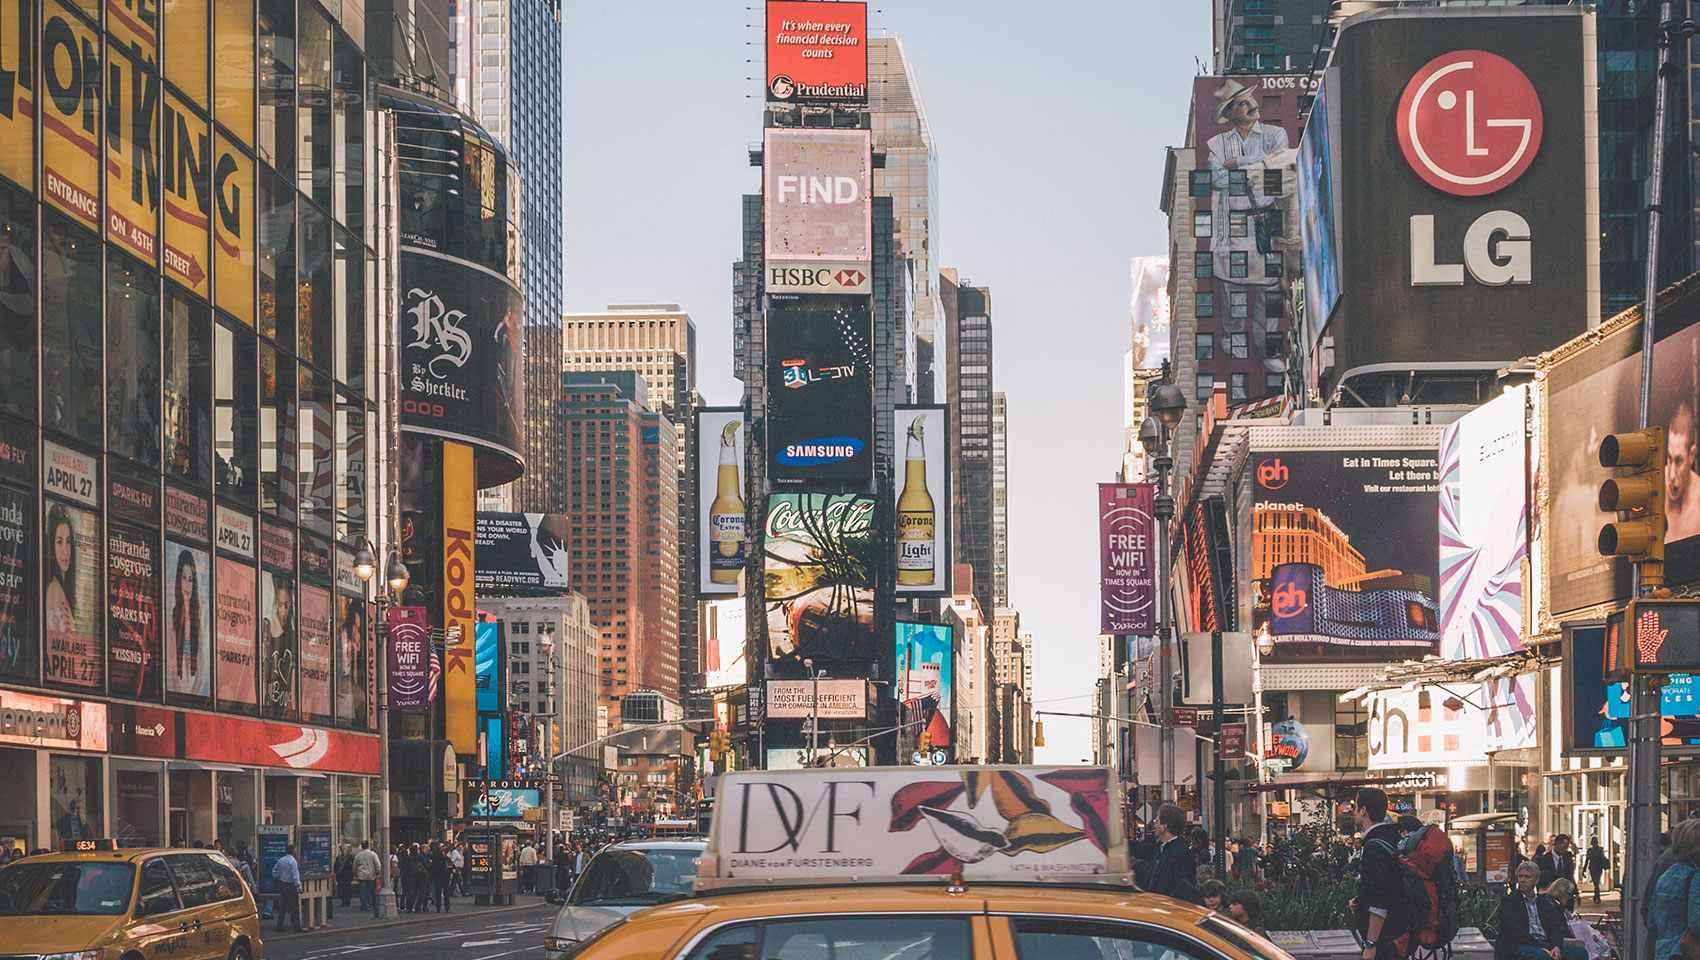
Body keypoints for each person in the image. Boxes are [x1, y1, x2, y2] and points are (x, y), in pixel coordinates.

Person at [1352, 787, 1405, 960]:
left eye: (1356, 807)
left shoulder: (1374, 847)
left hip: (1384, 941)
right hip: (1400, 935)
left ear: (1363, 810)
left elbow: (1379, 901)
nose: (1354, 812)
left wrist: (1370, 944)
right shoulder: (1393, 839)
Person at [1496, 860, 1574, 960]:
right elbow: (1514, 930)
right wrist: (1540, 947)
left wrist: (1556, 946)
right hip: (1521, 945)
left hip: (1546, 943)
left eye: (1527, 877)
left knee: (1579, 953)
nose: (1522, 880)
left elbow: (1554, 927)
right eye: (1520, 876)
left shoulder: (1544, 902)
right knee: (1542, 956)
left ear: (1536, 880)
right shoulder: (1510, 901)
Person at [1650, 818, 1700, 960]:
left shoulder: (1666, 876)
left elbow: (1651, 921)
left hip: (1664, 951)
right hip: (1686, 952)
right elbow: (1697, 921)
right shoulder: (1695, 878)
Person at [1132, 803, 1197, 898]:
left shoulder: (1181, 853)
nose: (1154, 825)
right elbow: (1140, 848)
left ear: (1164, 826)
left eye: (1156, 821)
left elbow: (1183, 889)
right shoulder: (1160, 848)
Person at [44, 504, 80, 660]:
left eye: (68, 541)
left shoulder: (61, 588)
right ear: (51, 545)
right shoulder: (54, 590)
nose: (65, 551)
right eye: (59, 542)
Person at [1547, 879, 1608, 960]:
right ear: (1562, 893)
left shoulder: (1556, 905)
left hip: (1560, 938)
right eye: (1569, 894)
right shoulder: (1553, 906)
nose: (1570, 898)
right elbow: (1560, 928)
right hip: (1558, 940)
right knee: (1586, 949)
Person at [272, 843, 305, 933]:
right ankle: (296, 927)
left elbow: (274, 871)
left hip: (282, 884)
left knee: (283, 906)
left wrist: (279, 878)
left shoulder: (281, 860)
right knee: (294, 907)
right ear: (294, 851)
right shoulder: (292, 861)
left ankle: (280, 925)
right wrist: (298, 886)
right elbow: (295, 875)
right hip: (290, 885)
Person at [354, 839, 381, 911]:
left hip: (362, 876)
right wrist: (378, 872)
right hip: (371, 875)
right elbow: (378, 865)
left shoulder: (358, 855)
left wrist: (356, 874)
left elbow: (354, 866)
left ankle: (364, 906)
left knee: (363, 891)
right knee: (372, 891)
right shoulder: (373, 854)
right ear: (368, 846)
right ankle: (374, 904)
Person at [429, 841, 452, 913]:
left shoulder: (435, 858)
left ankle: (438, 908)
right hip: (445, 877)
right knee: (446, 893)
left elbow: (432, 868)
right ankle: (447, 907)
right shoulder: (445, 858)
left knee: (438, 893)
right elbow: (450, 866)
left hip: (437, 877)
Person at [1584, 838, 1609, 905]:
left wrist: (1584, 870)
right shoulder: (1600, 850)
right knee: (1596, 882)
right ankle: (1597, 896)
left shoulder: (1589, 851)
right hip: (1599, 868)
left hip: (1592, 868)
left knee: (1596, 883)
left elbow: (1587, 861)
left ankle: (1596, 897)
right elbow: (1602, 858)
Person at [334, 843, 354, 907]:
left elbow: (352, 866)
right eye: (342, 849)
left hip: (347, 876)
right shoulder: (338, 858)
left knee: (347, 889)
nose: (343, 850)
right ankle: (343, 901)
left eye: (344, 849)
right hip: (340, 876)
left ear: (347, 849)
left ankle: (347, 901)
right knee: (341, 889)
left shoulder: (350, 857)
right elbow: (336, 866)